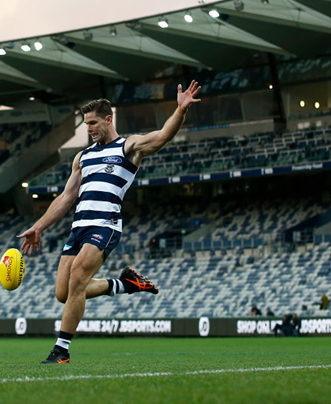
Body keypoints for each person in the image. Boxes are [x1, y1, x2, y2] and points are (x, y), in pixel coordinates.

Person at [18, 81, 202, 364]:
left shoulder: (127, 147)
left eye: (92, 122)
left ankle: (61, 351)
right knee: (63, 293)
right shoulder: (83, 156)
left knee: (78, 278)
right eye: (85, 123)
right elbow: (67, 196)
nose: (88, 128)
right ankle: (125, 284)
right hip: (78, 228)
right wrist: (39, 226)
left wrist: (180, 110)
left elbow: (163, 136)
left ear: (108, 119)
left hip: (105, 225)